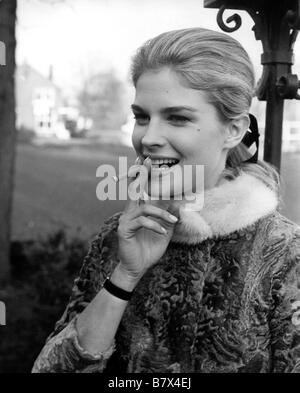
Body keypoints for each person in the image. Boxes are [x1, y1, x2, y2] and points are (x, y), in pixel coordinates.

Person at [32, 28, 300, 373]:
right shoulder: (117, 236)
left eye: (178, 118)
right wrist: (126, 275)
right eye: (142, 117)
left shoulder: (285, 256)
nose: (149, 138)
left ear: (233, 129)